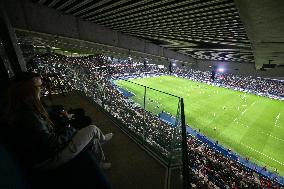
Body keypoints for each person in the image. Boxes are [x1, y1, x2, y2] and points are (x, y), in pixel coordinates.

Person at [4, 72, 113, 170]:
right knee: (92, 130)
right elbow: (52, 143)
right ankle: (100, 156)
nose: (41, 89)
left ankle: (99, 141)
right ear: (28, 90)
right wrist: (71, 129)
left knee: (87, 134)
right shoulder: (28, 116)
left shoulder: (23, 107)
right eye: (38, 86)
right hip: (46, 159)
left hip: (42, 154)